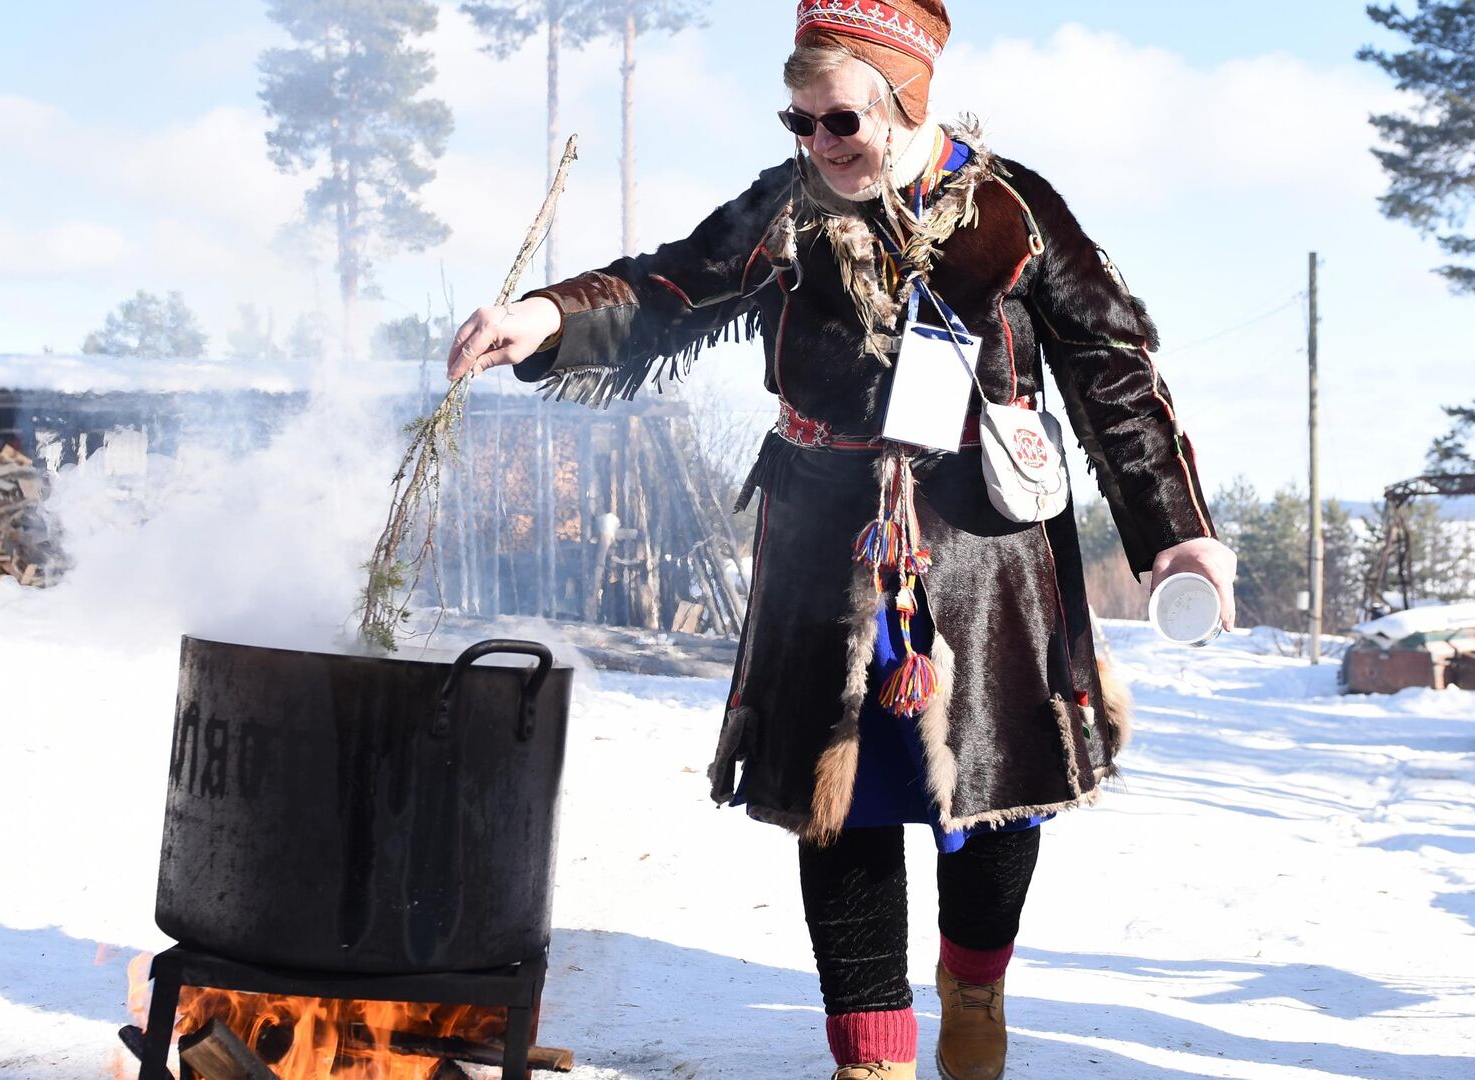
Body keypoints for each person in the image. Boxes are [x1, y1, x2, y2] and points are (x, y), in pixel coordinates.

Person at [447, 3, 1237, 1076]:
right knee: (847, 802)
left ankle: (974, 1000)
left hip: (989, 555)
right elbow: (668, 285)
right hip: (828, 544)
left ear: (909, 102)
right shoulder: (787, 209)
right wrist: (543, 317)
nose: (820, 146)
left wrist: (1178, 536)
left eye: (843, 123)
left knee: (996, 802)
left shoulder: (1015, 210)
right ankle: (870, 1062)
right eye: (801, 122)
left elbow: (1115, 375)